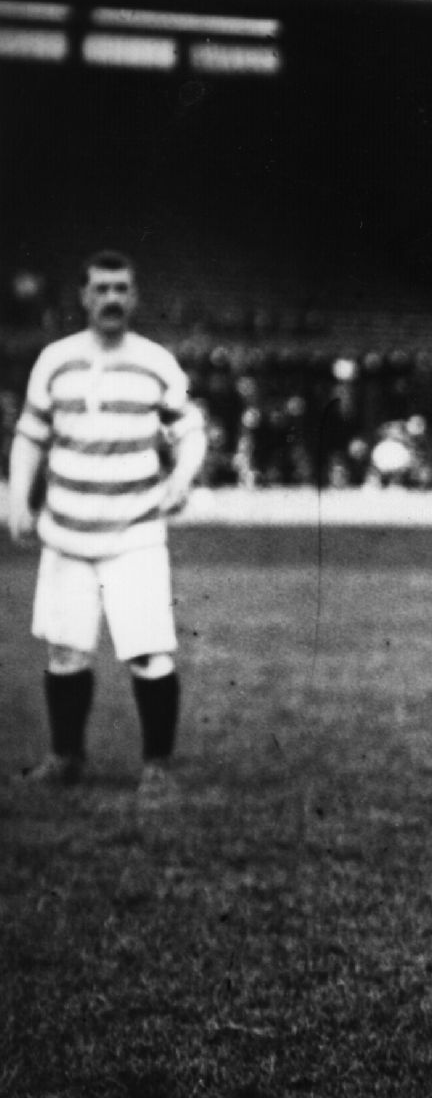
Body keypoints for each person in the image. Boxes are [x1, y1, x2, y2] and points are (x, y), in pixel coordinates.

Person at [8, 250, 208, 794]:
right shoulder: (55, 359)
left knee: (149, 651)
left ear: (135, 296)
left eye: (122, 288)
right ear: (84, 295)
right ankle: (66, 758)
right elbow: (30, 434)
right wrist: (17, 497)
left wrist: (180, 480)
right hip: (68, 532)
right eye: (101, 288)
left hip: (134, 532)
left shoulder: (156, 362)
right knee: (66, 650)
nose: (112, 298)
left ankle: (158, 768)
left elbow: (191, 428)